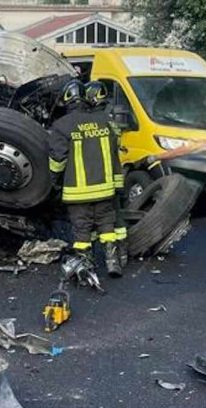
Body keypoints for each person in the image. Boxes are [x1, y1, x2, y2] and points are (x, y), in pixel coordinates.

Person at [48, 79, 124, 278]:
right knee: (107, 224)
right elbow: (115, 155)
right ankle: (112, 261)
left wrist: (53, 180)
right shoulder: (104, 121)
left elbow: (58, 159)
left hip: (77, 191)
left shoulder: (61, 125)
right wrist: (118, 186)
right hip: (105, 189)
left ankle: (86, 264)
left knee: (82, 228)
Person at [84, 80, 128, 269]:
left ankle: (94, 258)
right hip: (112, 180)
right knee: (116, 219)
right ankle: (120, 256)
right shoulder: (111, 123)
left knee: (92, 220)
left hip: (92, 180)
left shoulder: (87, 123)